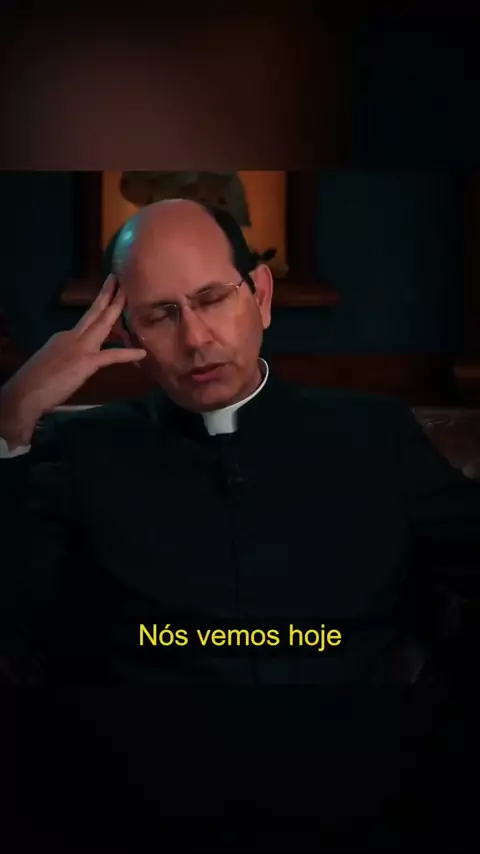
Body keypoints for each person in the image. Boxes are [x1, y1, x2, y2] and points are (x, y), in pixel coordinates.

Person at [1, 199, 479, 847]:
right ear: (125, 334)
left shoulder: (373, 436)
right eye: (161, 315)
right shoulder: (79, 454)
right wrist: (13, 413)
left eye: (212, 298)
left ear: (260, 295)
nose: (196, 339)